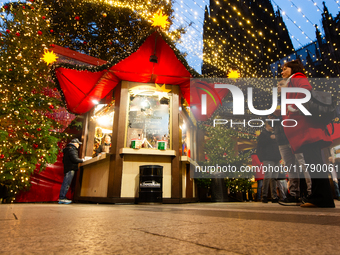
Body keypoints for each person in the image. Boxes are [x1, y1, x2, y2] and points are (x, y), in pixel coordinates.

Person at [281, 60, 334, 208]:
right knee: (312, 163)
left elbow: (306, 90)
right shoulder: (291, 82)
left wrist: (293, 107)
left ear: (293, 69)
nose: (282, 71)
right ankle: (318, 196)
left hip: (308, 129)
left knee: (315, 163)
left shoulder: (297, 77)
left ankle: (322, 198)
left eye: (285, 69)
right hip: (305, 130)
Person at [270, 80, 312, 206]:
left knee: (303, 163)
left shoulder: (294, 96)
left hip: (294, 135)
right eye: (277, 85)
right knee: (290, 166)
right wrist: (273, 115)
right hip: (281, 137)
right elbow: (270, 119)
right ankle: (294, 194)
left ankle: (311, 193)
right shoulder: (276, 101)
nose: (278, 86)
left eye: (281, 84)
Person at [257, 121, 286, 203]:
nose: (272, 127)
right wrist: (270, 138)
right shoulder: (263, 134)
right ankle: (264, 196)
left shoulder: (273, 134)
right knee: (268, 177)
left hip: (276, 158)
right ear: (267, 125)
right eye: (270, 125)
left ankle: (274, 196)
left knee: (274, 178)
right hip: (268, 158)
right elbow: (260, 145)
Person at [59, 138, 84, 204]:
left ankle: (62, 197)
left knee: (66, 183)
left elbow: (64, 160)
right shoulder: (72, 149)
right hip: (71, 168)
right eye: (78, 144)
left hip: (68, 168)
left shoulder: (68, 149)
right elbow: (74, 159)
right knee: (66, 183)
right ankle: (62, 198)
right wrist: (82, 160)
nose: (78, 146)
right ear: (75, 144)